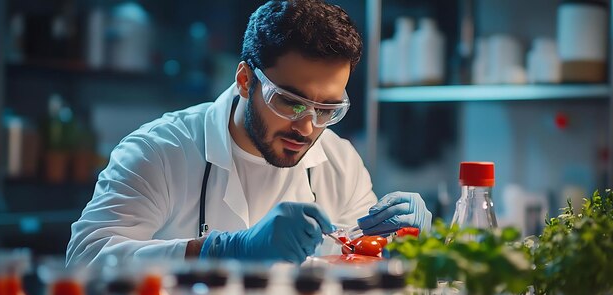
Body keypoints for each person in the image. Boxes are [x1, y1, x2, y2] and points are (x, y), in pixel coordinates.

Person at [67, 0, 432, 267]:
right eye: (290, 101)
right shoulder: (159, 152)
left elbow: (363, 261)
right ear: (245, 80)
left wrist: (401, 244)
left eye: (326, 110)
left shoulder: (340, 162)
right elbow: (84, 260)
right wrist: (219, 250)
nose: (307, 127)